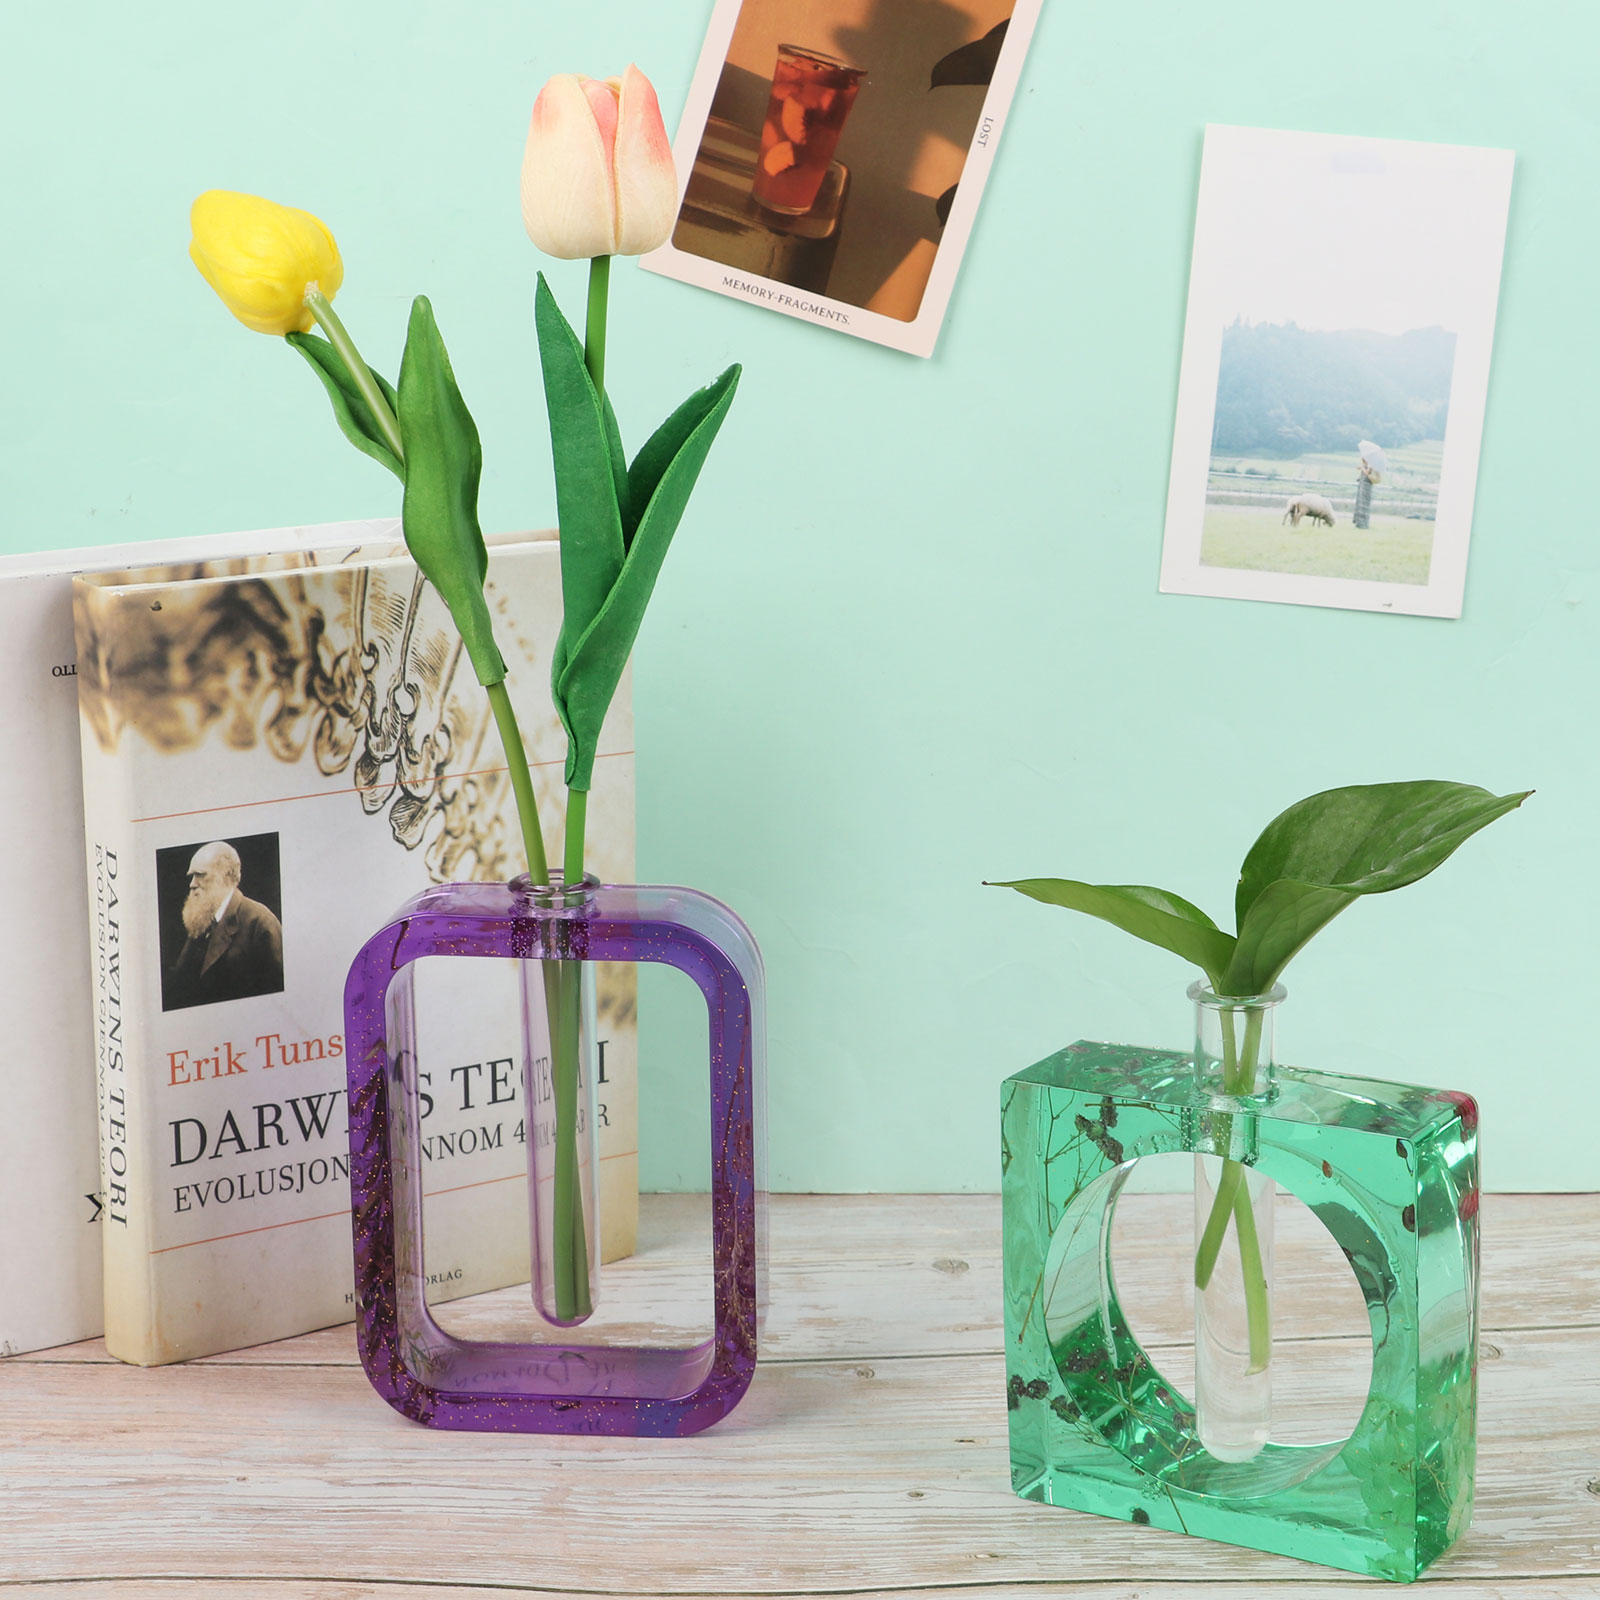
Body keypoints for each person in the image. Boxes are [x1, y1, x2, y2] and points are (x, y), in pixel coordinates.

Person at [167, 841, 284, 1008]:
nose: (192, 884)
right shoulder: (202, 920)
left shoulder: (261, 923)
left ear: (226, 876)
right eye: (192, 876)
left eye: (200, 875)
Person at [1353, 455, 1379, 530]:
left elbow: (1367, 473)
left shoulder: (1371, 464)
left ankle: (1363, 524)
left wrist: (1362, 468)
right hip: (1363, 485)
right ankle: (1359, 522)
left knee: (1364, 504)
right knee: (1360, 503)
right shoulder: (1367, 464)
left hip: (1366, 485)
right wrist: (1362, 467)